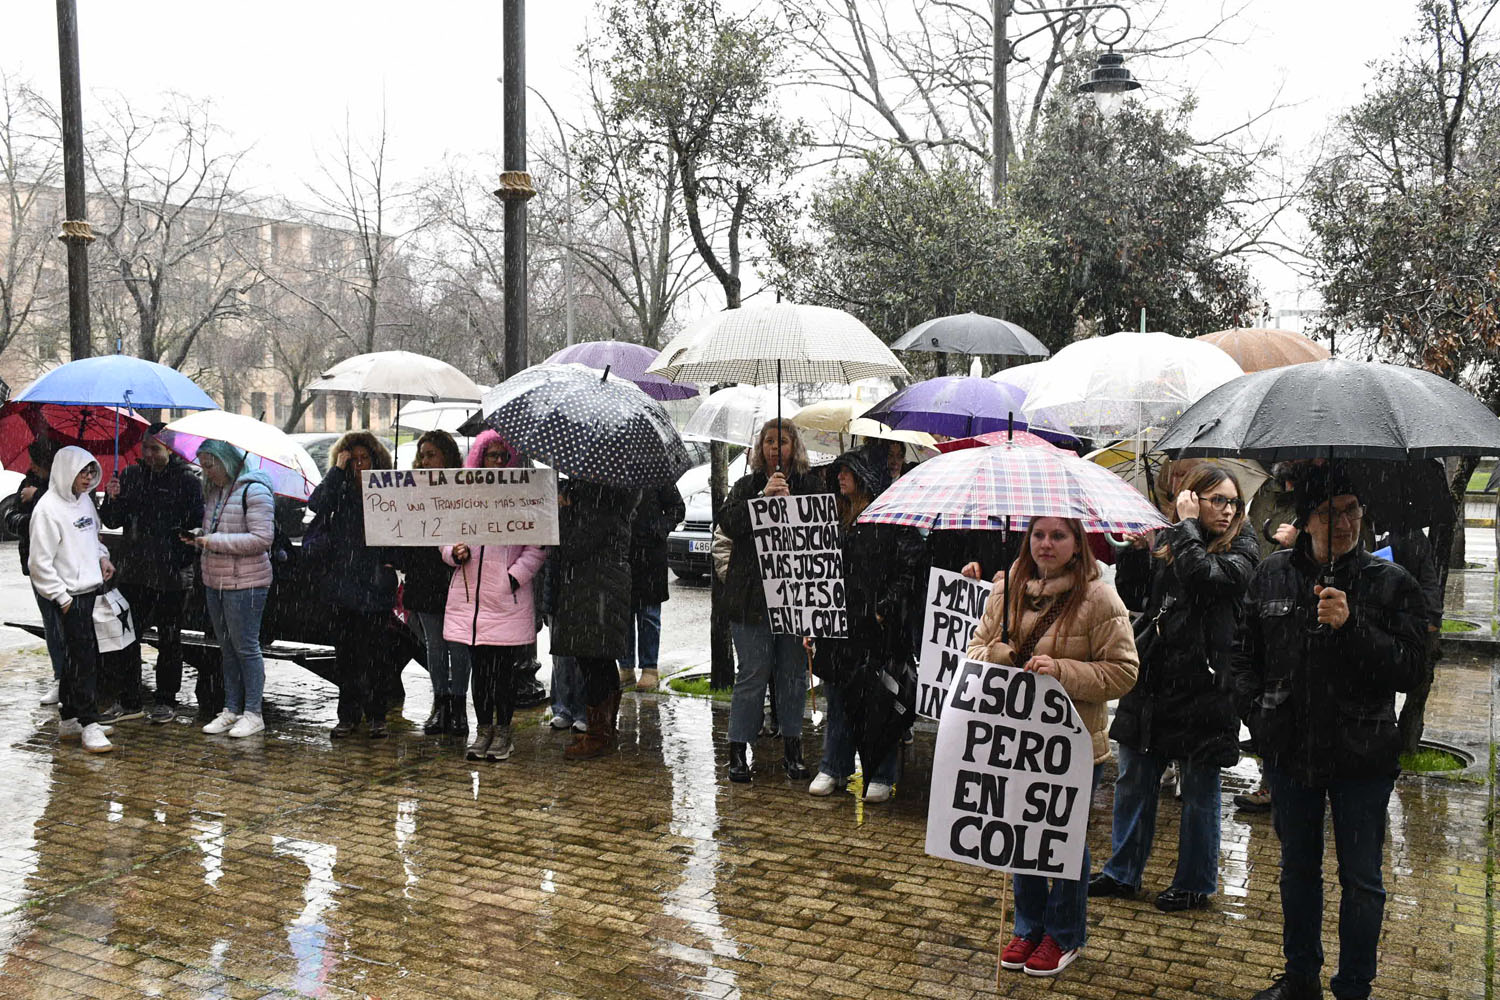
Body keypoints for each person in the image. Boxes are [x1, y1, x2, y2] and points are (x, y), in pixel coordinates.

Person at [1233, 466, 1426, 1000]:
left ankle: (1354, 987)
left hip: (1362, 757)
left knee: (1362, 880)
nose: (1343, 522)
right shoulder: (1271, 574)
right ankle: (1300, 980)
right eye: (1329, 511)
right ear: (1306, 517)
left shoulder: (1391, 583)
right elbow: (1243, 655)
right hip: (1291, 751)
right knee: (1298, 872)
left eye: (1352, 510)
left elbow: (1413, 670)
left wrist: (1353, 625)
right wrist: (1259, 715)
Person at [968, 515, 1139, 978]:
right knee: (1021, 836)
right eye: (1039, 534)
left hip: (1074, 744)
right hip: (1015, 742)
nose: (1046, 544)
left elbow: (1123, 672)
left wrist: (1063, 671)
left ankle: (1063, 934)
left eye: (1058, 535)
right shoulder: (1005, 591)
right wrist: (1001, 655)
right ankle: (1027, 926)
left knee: (1062, 842)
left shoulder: (1099, 597)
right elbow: (974, 652)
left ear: (1077, 542)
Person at [1090, 464, 1260, 912]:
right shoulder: (1172, 538)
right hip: (1156, 681)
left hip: (1206, 686)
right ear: (1192, 497)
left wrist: (1184, 528)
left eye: (1232, 502)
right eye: (1217, 500)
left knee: (1201, 789)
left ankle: (1195, 883)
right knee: (1134, 780)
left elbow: (1209, 580)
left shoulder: (1244, 544)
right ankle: (1122, 872)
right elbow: (1136, 596)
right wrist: (1135, 548)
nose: (1227, 510)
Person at [807, 448, 927, 801]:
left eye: (847, 471)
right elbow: (817, 573)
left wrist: (883, 609)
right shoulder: (832, 518)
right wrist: (812, 619)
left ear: (865, 477)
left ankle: (880, 771)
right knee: (839, 698)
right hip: (839, 628)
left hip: (878, 631)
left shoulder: (891, 519)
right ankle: (834, 766)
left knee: (880, 700)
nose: (840, 477)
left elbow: (909, 567)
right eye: (838, 471)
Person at [717, 418, 825, 782]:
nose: (775, 448)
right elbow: (728, 523)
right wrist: (762, 500)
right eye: (768, 441)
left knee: (792, 676)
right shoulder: (746, 486)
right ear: (760, 448)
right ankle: (737, 751)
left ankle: (793, 750)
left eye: (782, 441)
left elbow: (819, 539)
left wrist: (791, 507)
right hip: (750, 598)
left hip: (793, 598)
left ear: (794, 447)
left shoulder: (810, 485)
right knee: (752, 674)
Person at [443, 431, 549, 762]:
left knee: (502, 674)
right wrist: (452, 552)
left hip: (505, 599)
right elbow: (445, 535)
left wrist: (513, 577)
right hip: (470, 598)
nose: (500, 462)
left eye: (505, 456)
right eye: (493, 455)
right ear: (481, 458)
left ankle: (504, 732)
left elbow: (537, 545)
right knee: (480, 672)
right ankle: (484, 729)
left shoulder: (524, 495)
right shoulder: (466, 494)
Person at [99, 428, 204, 723]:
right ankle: (129, 699)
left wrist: (180, 555)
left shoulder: (186, 481)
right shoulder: (131, 476)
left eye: (155, 449)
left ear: (170, 450)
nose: (149, 455)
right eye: (145, 448)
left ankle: (165, 699)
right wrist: (113, 498)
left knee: (170, 640)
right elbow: (113, 520)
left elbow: (196, 523)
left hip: (171, 575)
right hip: (135, 572)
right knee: (127, 638)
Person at [307, 431, 399, 739]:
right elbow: (316, 503)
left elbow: (401, 532)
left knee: (376, 655)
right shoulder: (340, 489)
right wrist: (337, 471)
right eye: (353, 459)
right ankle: (347, 715)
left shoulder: (387, 490)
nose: (359, 465)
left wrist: (390, 561)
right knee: (345, 655)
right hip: (343, 583)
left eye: (364, 458)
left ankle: (377, 714)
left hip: (374, 582)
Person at [29, 446, 117, 753]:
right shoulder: (47, 510)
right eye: (83, 472)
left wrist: (102, 558)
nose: (89, 478)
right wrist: (62, 598)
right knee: (84, 660)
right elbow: (39, 563)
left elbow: (94, 538)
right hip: (68, 596)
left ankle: (69, 717)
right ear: (67, 471)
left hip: (89, 591)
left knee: (75, 659)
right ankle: (89, 723)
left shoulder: (85, 503)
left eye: (92, 472)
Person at [547, 477, 640, 760]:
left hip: (594, 588)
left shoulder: (601, 498)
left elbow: (574, 545)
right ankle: (604, 730)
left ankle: (599, 735)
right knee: (599, 661)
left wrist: (564, 510)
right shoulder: (613, 493)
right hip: (599, 587)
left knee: (593, 661)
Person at [190, 441, 276, 739]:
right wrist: (201, 536)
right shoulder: (215, 492)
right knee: (226, 648)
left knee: (246, 648)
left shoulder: (254, 490)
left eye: (210, 465)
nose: (206, 471)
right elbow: (219, 530)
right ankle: (231, 708)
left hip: (247, 582)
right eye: (202, 465)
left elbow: (262, 539)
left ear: (226, 461)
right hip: (216, 580)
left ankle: (253, 712)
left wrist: (213, 541)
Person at [397, 430, 466, 737]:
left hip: (457, 576)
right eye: (422, 455)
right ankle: (440, 705)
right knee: (435, 647)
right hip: (424, 577)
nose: (425, 461)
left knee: (459, 647)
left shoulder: (464, 488)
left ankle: (459, 706)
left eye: (431, 454)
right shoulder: (412, 490)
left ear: (447, 457)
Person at [6, 439, 65, 705]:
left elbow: (64, 517)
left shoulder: (65, 484)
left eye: (35, 462)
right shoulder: (28, 482)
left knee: (65, 625)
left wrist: (38, 499)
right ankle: (61, 677)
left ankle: (72, 678)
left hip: (63, 565)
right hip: (37, 562)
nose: (30, 466)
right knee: (52, 625)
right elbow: (11, 517)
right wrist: (29, 519)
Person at [1378, 526, 1443, 754]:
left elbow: (1426, 578)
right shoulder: (1343, 529)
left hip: (1393, 624)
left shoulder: (1409, 536)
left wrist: (1431, 615)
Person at [621, 482, 685, 692]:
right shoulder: (616, 470)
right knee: (623, 614)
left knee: (648, 615)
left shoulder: (658, 474)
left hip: (651, 557)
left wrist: (658, 529)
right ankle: (626, 666)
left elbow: (677, 508)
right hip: (621, 553)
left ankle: (649, 668)